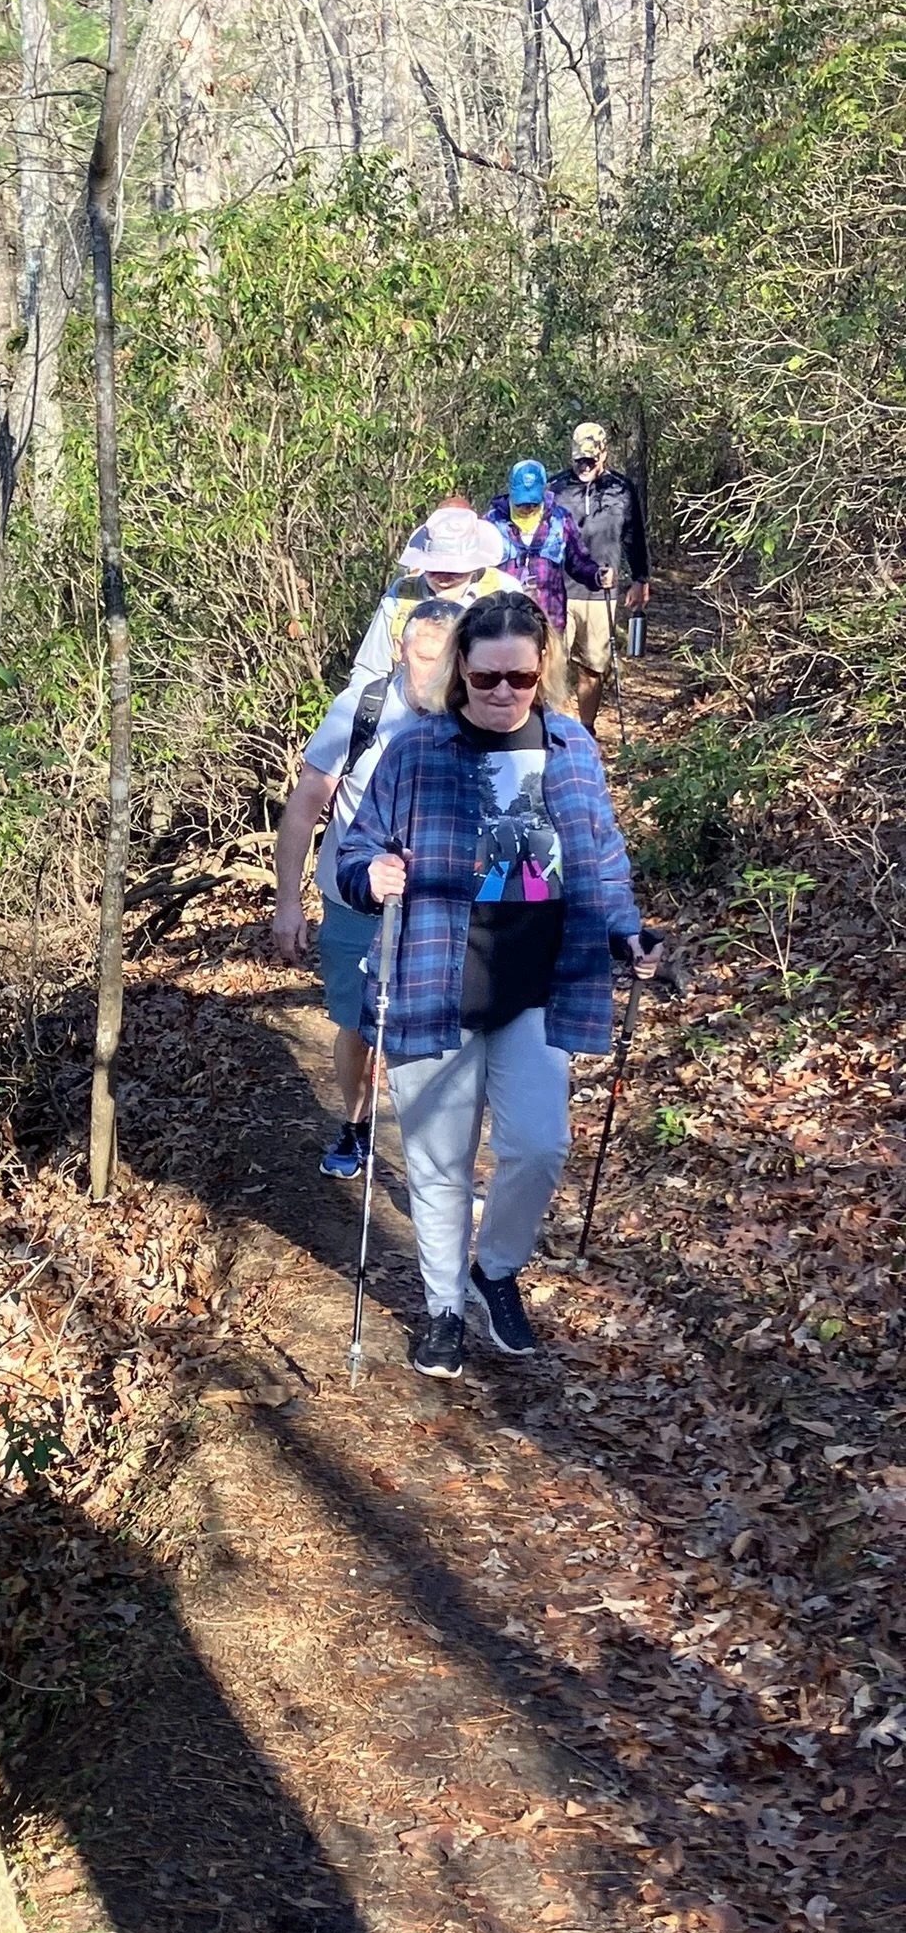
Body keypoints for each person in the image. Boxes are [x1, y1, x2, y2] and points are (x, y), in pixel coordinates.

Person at [336, 591, 661, 1380]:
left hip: (541, 980)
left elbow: (603, 859)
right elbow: (354, 852)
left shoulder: (573, 747)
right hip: (433, 975)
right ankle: (444, 1308)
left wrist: (629, 932)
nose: (504, 693)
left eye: (519, 677)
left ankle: (496, 1267)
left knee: (539, 1145)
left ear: (542, 668)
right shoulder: (415, 751)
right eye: (487, 679)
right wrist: (368, 875)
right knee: (441, 1164)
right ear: (460, 675)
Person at [274, 598, 464, 1178]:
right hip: (353, 894)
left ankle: (436, 1159)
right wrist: (288, 902)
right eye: (421, 655)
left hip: (440, 902)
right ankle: (355, 1127)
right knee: (357, 1022)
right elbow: (306, 805)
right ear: (400, 648)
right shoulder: (361, 708)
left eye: (443, 657)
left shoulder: (475, 712)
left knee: (438, 1029)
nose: (430, 670)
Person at [548, 421, 651, 733]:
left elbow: (635, 535)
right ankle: (551, 729)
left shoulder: (622, 489)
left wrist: (640, 577)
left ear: (604, 454)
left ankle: (586, 730)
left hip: (601, 593)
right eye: (579, 458)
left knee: (593, 665)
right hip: (557, 592)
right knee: (551, 665)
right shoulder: (554, 489)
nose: (585, 465)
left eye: (591, 459)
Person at [353, 501, 508, 682]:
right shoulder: (402, 595)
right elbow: (370, 670)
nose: (443, 578)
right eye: (434, 569)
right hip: (408, 706)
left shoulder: (502, 593)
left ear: (474, 565)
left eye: (454, 572)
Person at [485, 460, 612, 636]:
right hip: (501, 624)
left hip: (549, 622)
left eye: (533, 502)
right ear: (511, 491)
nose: (527, 508)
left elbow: (578, 562)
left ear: (545, 491)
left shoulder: (560, 521)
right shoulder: (491, 523)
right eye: (521, 502)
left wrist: (597, 576)